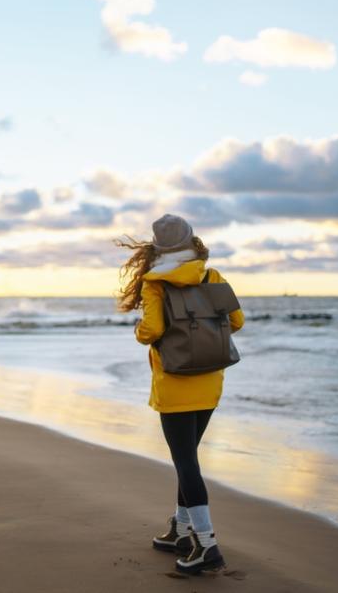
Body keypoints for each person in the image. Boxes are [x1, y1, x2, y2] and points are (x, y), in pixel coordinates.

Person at [116, 214, 245, 575]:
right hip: (209, 381)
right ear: (192, 241)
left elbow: (152, 329)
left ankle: (206, 545)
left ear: (157, 248)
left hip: (174, 382)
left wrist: (141, 333)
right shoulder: (211, 275)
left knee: (185, 463)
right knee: (187, 458)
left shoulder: (155, 282)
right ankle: (181, 529)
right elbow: (237, 322)